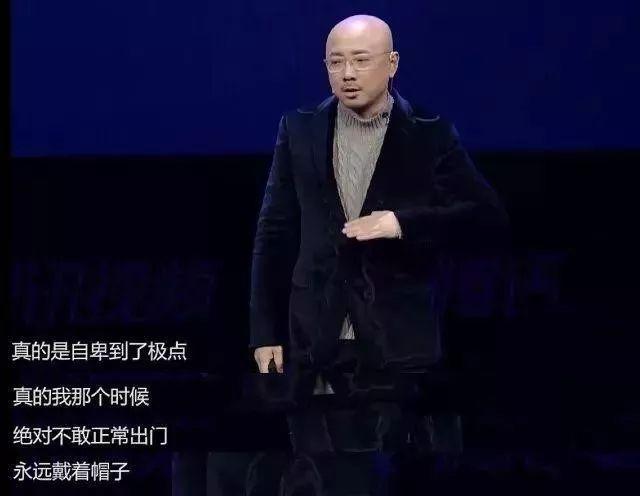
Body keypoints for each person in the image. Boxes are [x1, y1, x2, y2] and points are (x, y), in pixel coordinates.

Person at [248, 13, 509, 494]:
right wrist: (264, 332)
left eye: (360, 61)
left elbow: (486, 216)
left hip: (395, 341)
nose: (347, 73)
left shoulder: (429, 133)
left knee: (387, 478)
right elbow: (274, 232)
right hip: (316, 336)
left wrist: (401, 224)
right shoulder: (300, 129)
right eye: (336, 62)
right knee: (317, 476)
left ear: (392, 64)